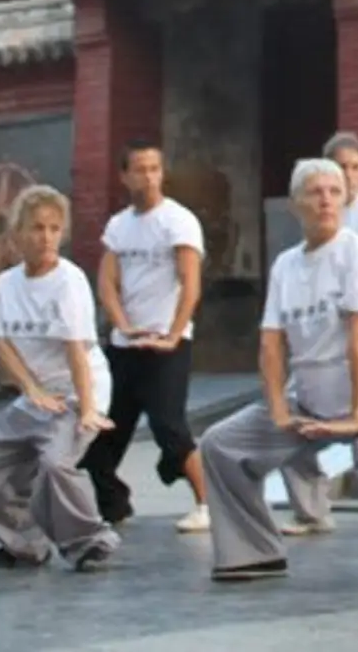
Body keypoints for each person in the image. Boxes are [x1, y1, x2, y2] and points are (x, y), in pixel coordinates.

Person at [199, 158, 358, 588]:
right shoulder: (285, 266)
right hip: (311, 401)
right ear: (296, 205)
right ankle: (254, 552)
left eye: (335, 192)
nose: (327, 200)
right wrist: (279, 410)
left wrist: (356, 416)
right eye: (316, 192)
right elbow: (272, 344)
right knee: (220, 445)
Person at [0, 185, 119, 573]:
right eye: (36, 228)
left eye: (53, 228)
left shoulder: (69, 280)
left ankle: (90, 540)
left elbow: (75, 352)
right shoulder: (7, 284)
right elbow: (3, 345)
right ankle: (24, 544)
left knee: (56, 464)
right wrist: (30, 389)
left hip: (78, 392)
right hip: (37, 397)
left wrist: (88, 409)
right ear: (16, 234)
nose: (46, 237)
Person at [80, 138, 211, 534]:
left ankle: (208, 504)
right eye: (140, 169)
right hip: (125, 347)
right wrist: (121, 324)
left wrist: (173, 334)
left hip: (167, 345)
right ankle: (113, 508)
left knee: (170, 427)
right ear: (124, 176)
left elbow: (190, 284)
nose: (149, 177)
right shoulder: (119, 225)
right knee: (101, 438)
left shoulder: (179, 221)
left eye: (155, 169)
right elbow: (107, 282)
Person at [281, 131, 358, 542]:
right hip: (318, 341)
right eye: (340, 168)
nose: (347, 178)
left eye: (355, 168)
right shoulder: (318, 214)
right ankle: (311, 510)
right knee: (290, 414)